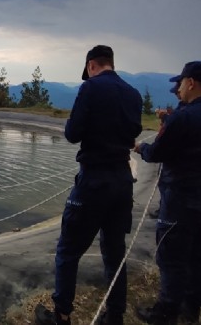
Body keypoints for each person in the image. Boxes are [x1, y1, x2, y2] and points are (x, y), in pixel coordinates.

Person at [35, 45, 142, 325]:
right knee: (115, 250)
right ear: (111, 63)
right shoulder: (133, 93)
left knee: (68, 251)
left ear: (91, 65)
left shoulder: (90, 89)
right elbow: (134, 134)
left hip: (94, 181)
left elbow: (72, 133)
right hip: (122, 181)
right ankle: (115, 315)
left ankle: (61, 315)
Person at [133, 61, 201, 324]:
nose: (178, 89)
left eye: (181, 83)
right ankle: (191, 309)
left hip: (182, 199)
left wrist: (140, 148)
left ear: (190, 82)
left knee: (172, 258)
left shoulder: (185, 116)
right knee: (198, 254)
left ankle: (166, 312)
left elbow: (157, 152)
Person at [149, 83, 185, 220]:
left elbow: (158, 150)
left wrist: (144, 149)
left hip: (176, 171)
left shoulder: (182, 114)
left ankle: (166, 211)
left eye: (178, 92)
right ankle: (163, 207)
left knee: (165, 184)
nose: (178, 94)